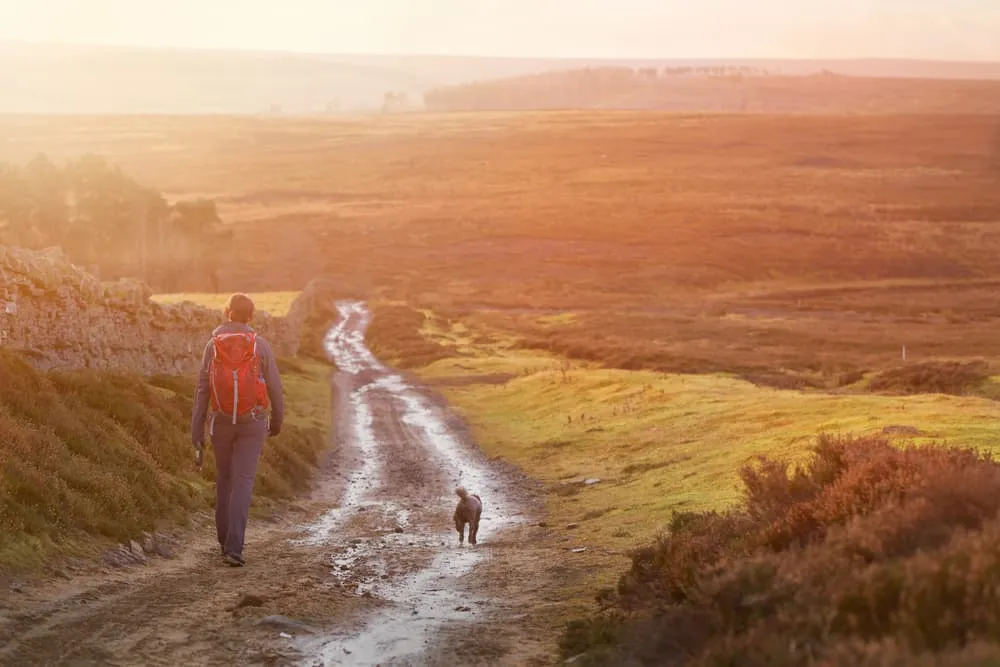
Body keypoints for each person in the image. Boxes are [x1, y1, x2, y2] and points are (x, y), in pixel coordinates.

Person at [191, 293, 284, 567]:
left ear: (227, 313)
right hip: (252, 422)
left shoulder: (213, 346)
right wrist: (277, 421)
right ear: (251, 316)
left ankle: (223, 542)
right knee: (243, 481)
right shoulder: (260, 346)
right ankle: (234, 547)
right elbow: (275, 387)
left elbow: (202, 389)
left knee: (224, 479)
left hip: (220, 422)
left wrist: (196, 431)